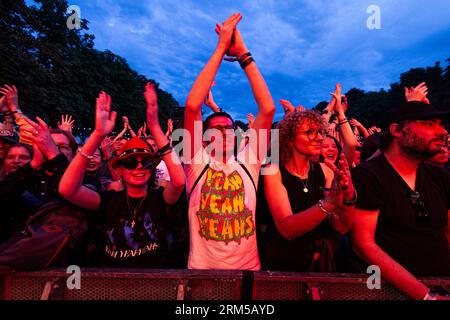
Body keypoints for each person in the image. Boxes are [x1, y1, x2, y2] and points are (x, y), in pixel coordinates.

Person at [183, 13, 275, 270]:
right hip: (201, 273)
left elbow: (267, 109)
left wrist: (243, 54)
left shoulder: (249, 161)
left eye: (229, 127)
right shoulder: (195, 163)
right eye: (216, 128)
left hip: (247, 272)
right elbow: (192, 107)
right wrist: (221, 47)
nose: (224, 131)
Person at [59, 84, 185, 268]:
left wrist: (155, 127)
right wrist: (96, 135)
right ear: (120, 170)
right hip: (112, 284)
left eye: (146, 163)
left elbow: (179, 181)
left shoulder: (159, 199)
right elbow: (67, 189)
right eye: (131, 163)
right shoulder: (108, 200)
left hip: (155, 284)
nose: (139, 167)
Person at [351, 100, 450, 300]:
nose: (442, 132)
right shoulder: (368, 176)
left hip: (442, 285)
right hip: (388, 292)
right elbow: (363, 244)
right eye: (429, 124)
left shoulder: (439, 176)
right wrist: (425, 296)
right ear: (396, 130)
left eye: (441, 124)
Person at [261, 109, 356, 271]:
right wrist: (329, 203)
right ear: (289, 139)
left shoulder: (325, 170)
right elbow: (287, 228)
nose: (319, 137)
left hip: (318, 267)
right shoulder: (272, 171)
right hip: (282, 267)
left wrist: (348, 197)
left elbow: (341, 227)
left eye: (320, 132)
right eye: (310, 132)